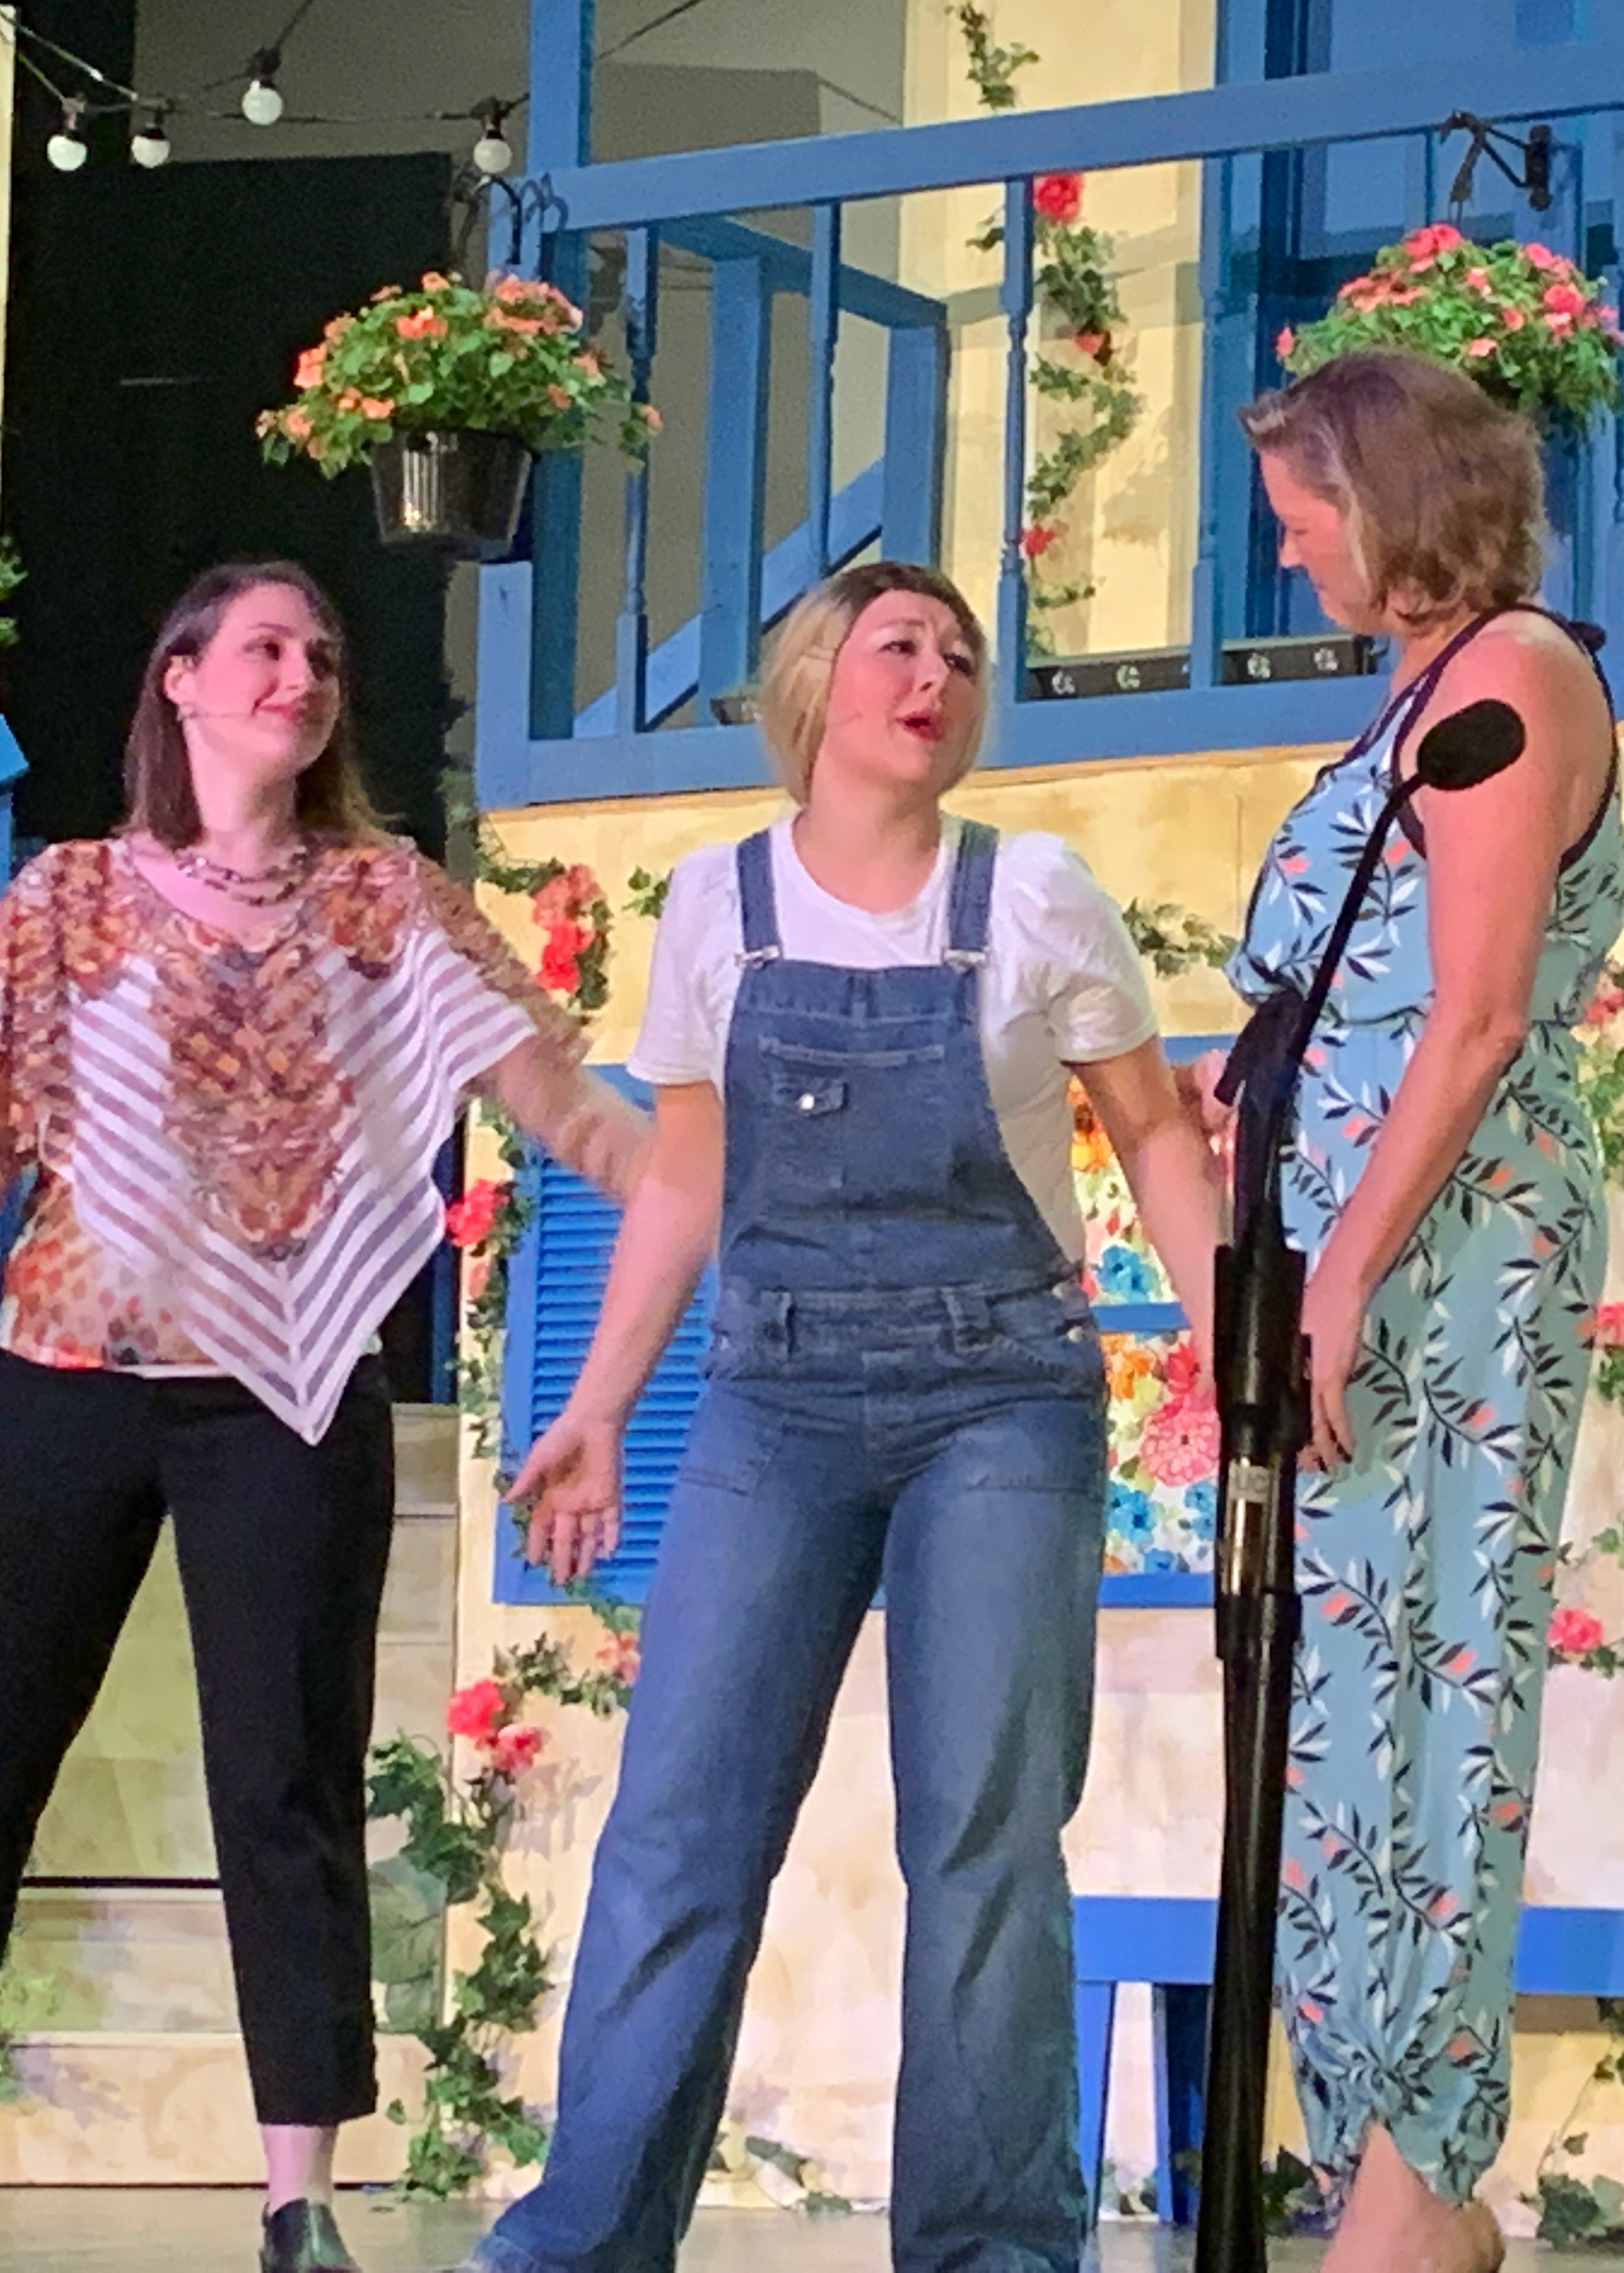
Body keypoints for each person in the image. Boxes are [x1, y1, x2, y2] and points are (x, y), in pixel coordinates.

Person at [0, 561, 646, 2273]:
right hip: (62, 1378)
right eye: (267, 647)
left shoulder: (386, 903)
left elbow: (558, 1103)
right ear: (183, 678)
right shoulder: (66, 899)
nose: (303, 674)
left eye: (324, 655)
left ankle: (299, 2198)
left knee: (285, 1779)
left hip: (286, 1395)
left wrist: (690, 1181)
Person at [482, 562, 1225, 2273]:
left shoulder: (1032, 894)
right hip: (775, 1396)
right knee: (680, 1828)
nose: (936, 674)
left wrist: (1237, 1355)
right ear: (817, 682)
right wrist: (598, 1406)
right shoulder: (716, 904)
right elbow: (686, 1176)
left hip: (1001, 1399)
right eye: (900, 644)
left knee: (983, 1840)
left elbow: (1153, 1135)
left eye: (960, 656)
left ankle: (990, 2253)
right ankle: (579, 2244)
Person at [1204, 350, 1624, 2273]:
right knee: (1335, 1719)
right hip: (1349, 1264)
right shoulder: (1417, 688)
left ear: (1390, 494)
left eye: (1306, 513)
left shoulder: (1513, 677)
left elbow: (1472, 1018)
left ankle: (1416, 2175)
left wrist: (1346, 1276)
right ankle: (1398, 2185)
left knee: (1430, 1701)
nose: (1290, 550)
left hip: (1445, 1263)